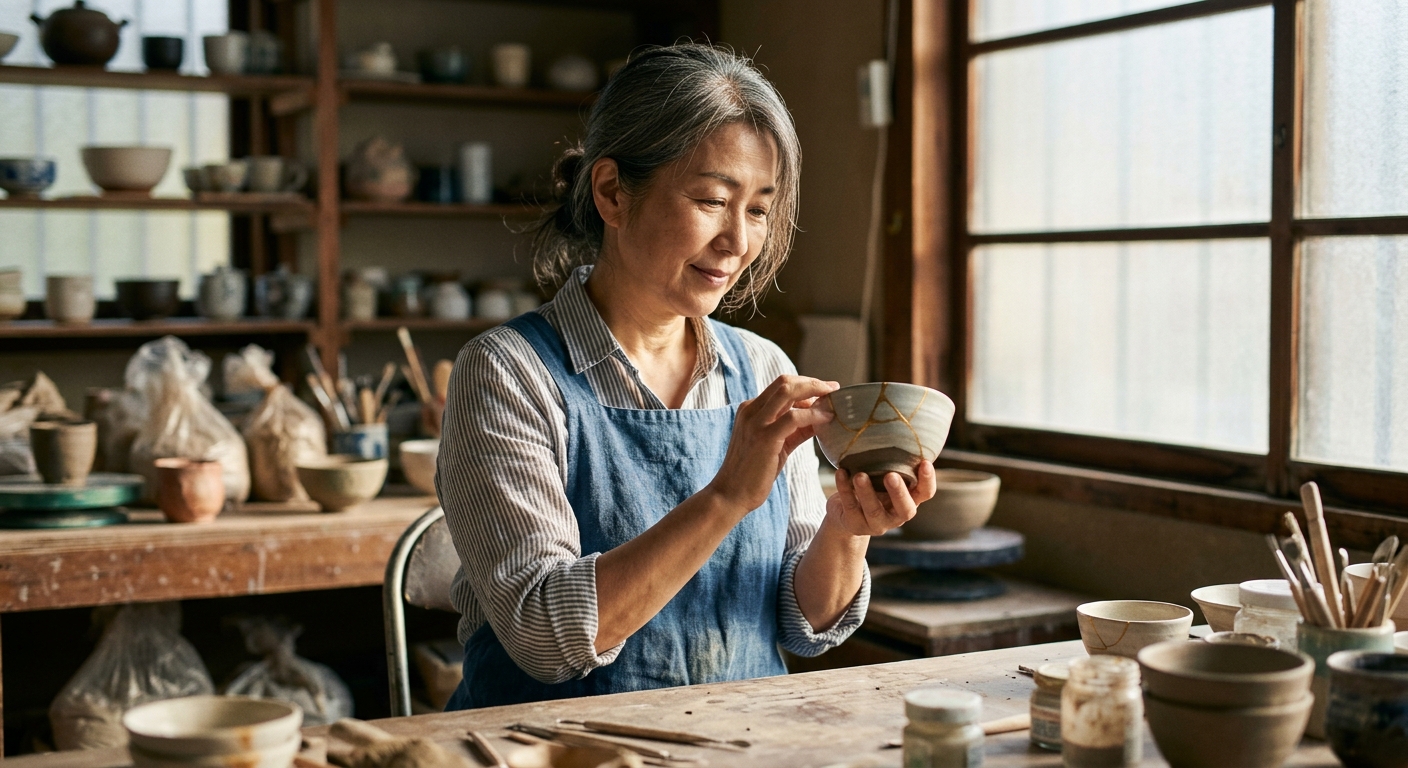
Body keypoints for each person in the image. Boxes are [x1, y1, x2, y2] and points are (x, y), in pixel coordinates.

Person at [437, 43, 937, 710]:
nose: (737, 241)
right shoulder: (507, 374)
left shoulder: (762, 369)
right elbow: (544, 636)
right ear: (613, 192)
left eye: (758, 209)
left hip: (737, 743)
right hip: (546, 751)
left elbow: (805, 623)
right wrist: (727, 495)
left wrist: (847, 529)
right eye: (711, 200)